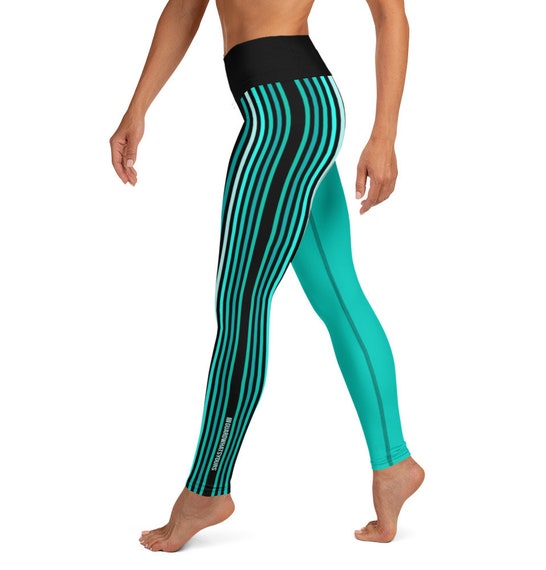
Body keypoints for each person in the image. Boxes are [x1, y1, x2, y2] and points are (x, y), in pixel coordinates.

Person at [110, 0, 424, 552]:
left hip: (286, 116)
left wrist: (384, 135)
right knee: (339, 296)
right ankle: (393, 463)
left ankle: (207, 489)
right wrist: (138, 108)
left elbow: (390, 15)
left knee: (241, 307)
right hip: (288, 109)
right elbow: (184, 8)